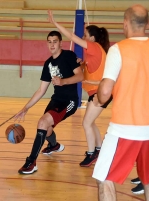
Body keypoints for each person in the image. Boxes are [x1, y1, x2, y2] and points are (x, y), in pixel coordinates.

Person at [91, 4, 149, 201]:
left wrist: (99, 100)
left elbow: (105, 90)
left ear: (125, 24)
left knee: (104, 178)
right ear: (148, 25)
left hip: (125, 128)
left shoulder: (118, 50)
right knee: (148, 177)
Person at [47, 10, 112, 167]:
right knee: (91, 122)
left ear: (92, 38)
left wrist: (55, 24)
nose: (83, 38)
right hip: (97, 92)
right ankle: (98, 150)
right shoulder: (94, 53)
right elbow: (91, 71)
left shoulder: (94, 46)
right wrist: (82, 63)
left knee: (86, 123)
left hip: (99, 93)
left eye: (85, 35)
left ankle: (91, 154)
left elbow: (72, 37)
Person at [14, 30, 83, 175]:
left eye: (55, 41)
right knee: (46, 129)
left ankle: (31, 162)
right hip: (56, 99)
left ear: (60, 43)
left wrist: (63, 81)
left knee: (42, 123)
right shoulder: (48, 64)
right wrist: (25, 108)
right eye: (49, 42)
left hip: (69, 101)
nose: (52, 44)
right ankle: (53, 145)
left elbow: (80, 76)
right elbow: (41, 90)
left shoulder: (69, 56)